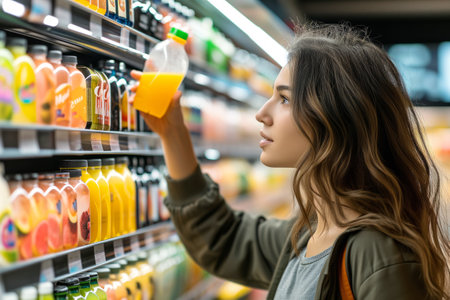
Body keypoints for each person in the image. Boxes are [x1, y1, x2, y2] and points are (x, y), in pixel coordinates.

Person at [130, 23, 450, 300]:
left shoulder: (379, 255)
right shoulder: (311, 233)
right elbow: (222, 239)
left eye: (284, 98)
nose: (262, 113)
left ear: (335, 117)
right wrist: (173, 133)